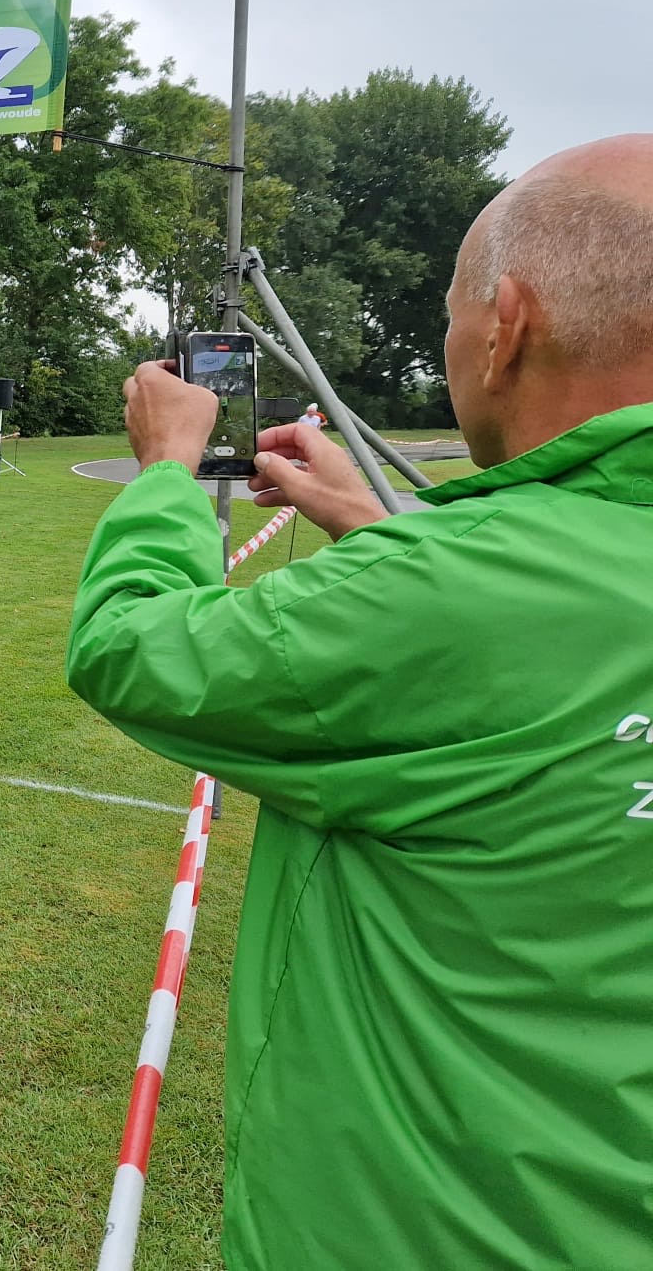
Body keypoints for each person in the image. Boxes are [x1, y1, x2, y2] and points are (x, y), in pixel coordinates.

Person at [64, 134, 653, 1270]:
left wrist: (163, 475)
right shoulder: (483, 582)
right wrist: (384, 538)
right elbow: (529, 669)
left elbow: (133, 646)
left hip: (422, 1232)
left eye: (447, 310)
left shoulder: (451, 592)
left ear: (505, 325)